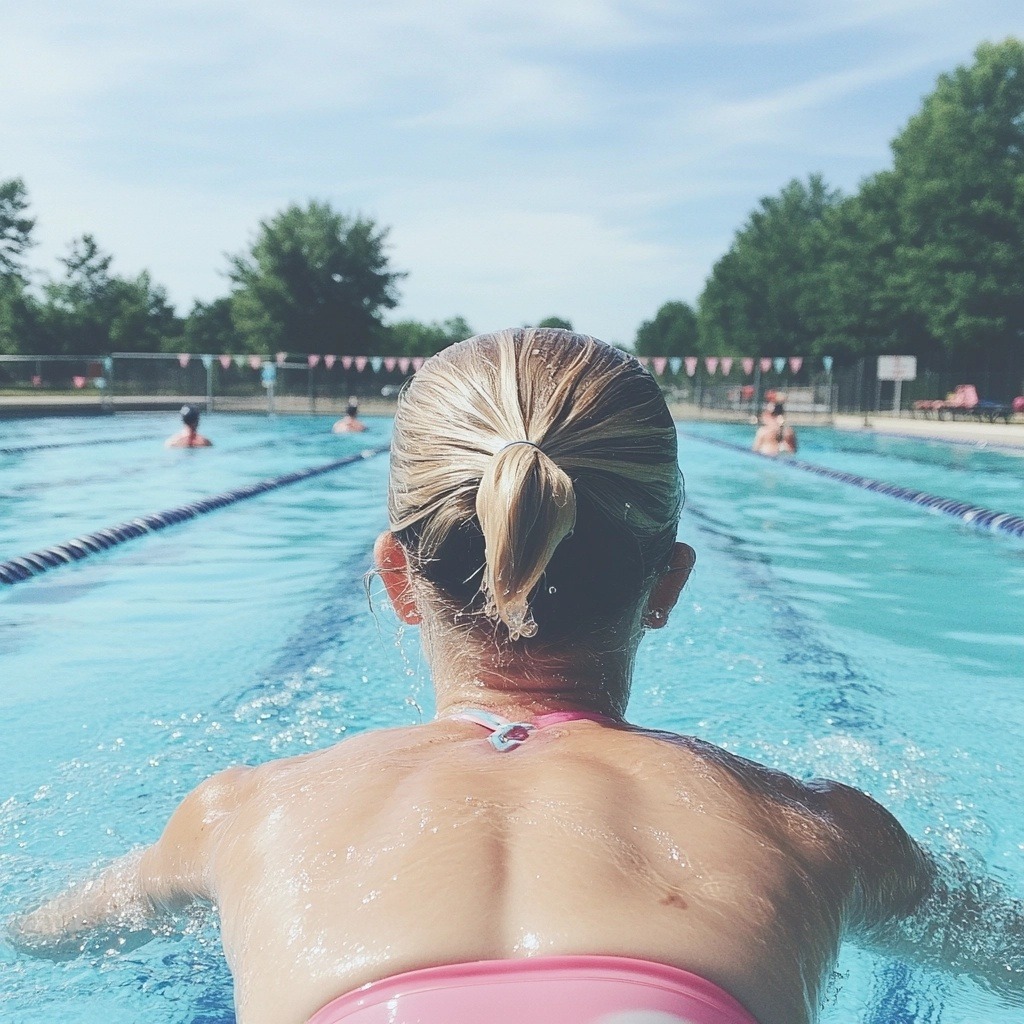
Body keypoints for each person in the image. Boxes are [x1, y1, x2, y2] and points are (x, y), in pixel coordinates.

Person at [8, 329, 1024, 1024]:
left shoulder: (242, 815)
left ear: (396, 579)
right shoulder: (821, 828)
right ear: (667, 582)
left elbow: (40, 937)